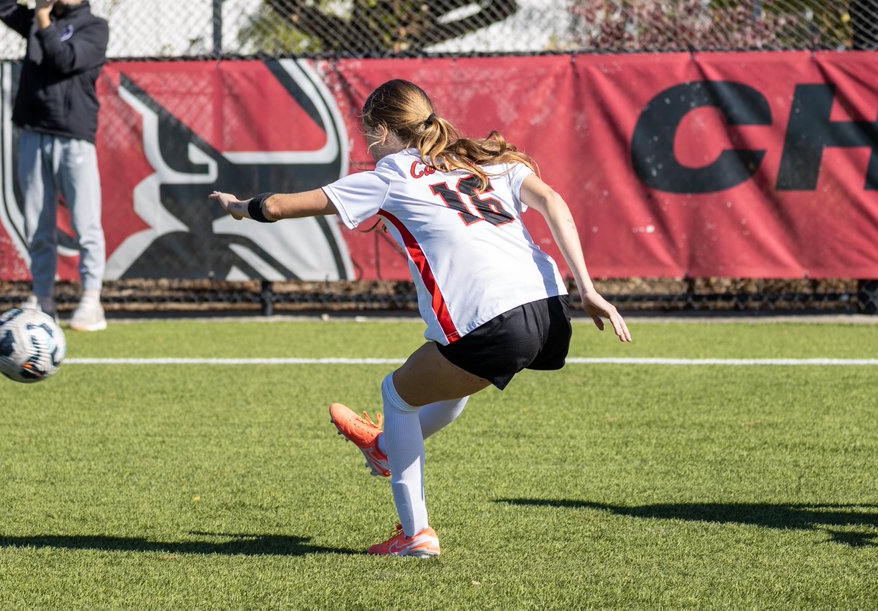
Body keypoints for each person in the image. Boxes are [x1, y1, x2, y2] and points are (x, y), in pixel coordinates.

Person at [209, 79, 631, 557]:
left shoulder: (389, 174)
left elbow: (282, 206)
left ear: (383, 131)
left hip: (493, 319)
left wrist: (238, 208)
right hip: (551, 310)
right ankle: (386, 447)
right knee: (453, 379)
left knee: (398, 393)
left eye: (371, 133)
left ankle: (414, 532)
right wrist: (589, 290)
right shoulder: (484, 160)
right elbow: (554, 201)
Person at [0, 0, 109, 331]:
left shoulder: (94, 27)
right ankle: (42, 298)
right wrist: (40, 12)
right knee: (38, 226)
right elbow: (0, 6)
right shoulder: (36, 18)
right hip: (33, 133)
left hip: (74, 137)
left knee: (85, 224)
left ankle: (91, 300)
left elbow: (65, 60)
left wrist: (43, 17)